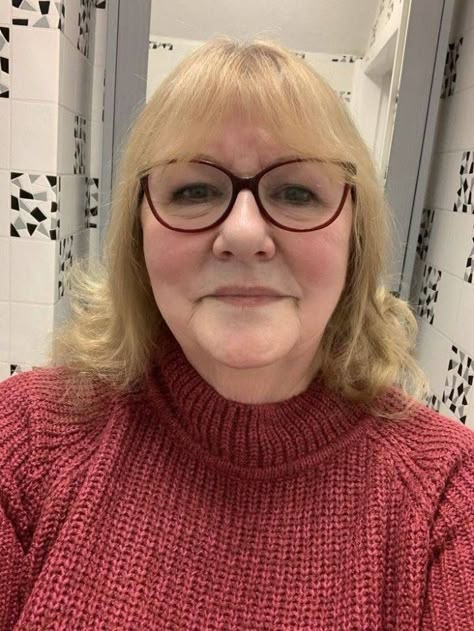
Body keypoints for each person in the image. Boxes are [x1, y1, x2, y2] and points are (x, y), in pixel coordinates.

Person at [1, 37, 473, 630]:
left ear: (355, 237)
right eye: (194, 191)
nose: (245, 234)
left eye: (297, 192)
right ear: (138, 236)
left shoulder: (447, 496)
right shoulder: (23, 441)